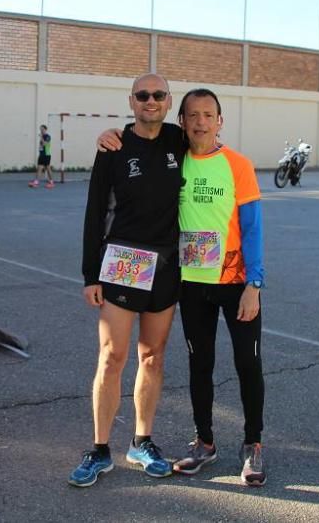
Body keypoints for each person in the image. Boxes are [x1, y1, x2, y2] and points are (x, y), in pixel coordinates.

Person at [96, 88, 268, 487]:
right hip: (190, 284)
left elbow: (253, 227)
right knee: (200, 365)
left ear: (220, 120)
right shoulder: (174, 162)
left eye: (209, 115)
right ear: (183, 122)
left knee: (248, 364)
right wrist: (110, 136)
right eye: (193, 115)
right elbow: (139, 143)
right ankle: (204, 442)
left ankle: (253, 444)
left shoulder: (238, 165)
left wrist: (254, 284)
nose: (201, 122)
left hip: (236, 282)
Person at [70, 74, 184, 487]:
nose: (150, 101)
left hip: (167, 264)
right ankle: (99, 450)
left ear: (168, 101)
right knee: (112, 357)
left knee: (152, 356)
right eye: (142, 95)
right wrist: (90, 273)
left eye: (157, 95)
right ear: (131, 101)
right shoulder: (114, 147)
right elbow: (94, 211)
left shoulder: (179, 140)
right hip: (121, 263)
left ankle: (142, 441)